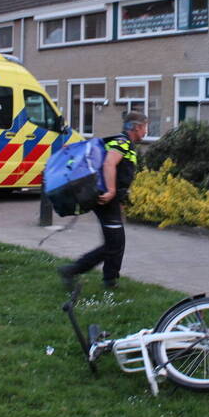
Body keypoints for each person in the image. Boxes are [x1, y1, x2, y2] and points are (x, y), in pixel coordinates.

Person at [58, 111, 149, 290]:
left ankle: (109, 280)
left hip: (110, 201)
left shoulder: (123, 142)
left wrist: (119, 197)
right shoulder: (122, 143)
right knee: (113, 243)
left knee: (115, 242)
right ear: (137, 127)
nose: (146, 131)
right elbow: (109, 163)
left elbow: (120, 172)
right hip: (106, 199)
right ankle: (72, 270)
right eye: (145, 127)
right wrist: (112, 190)